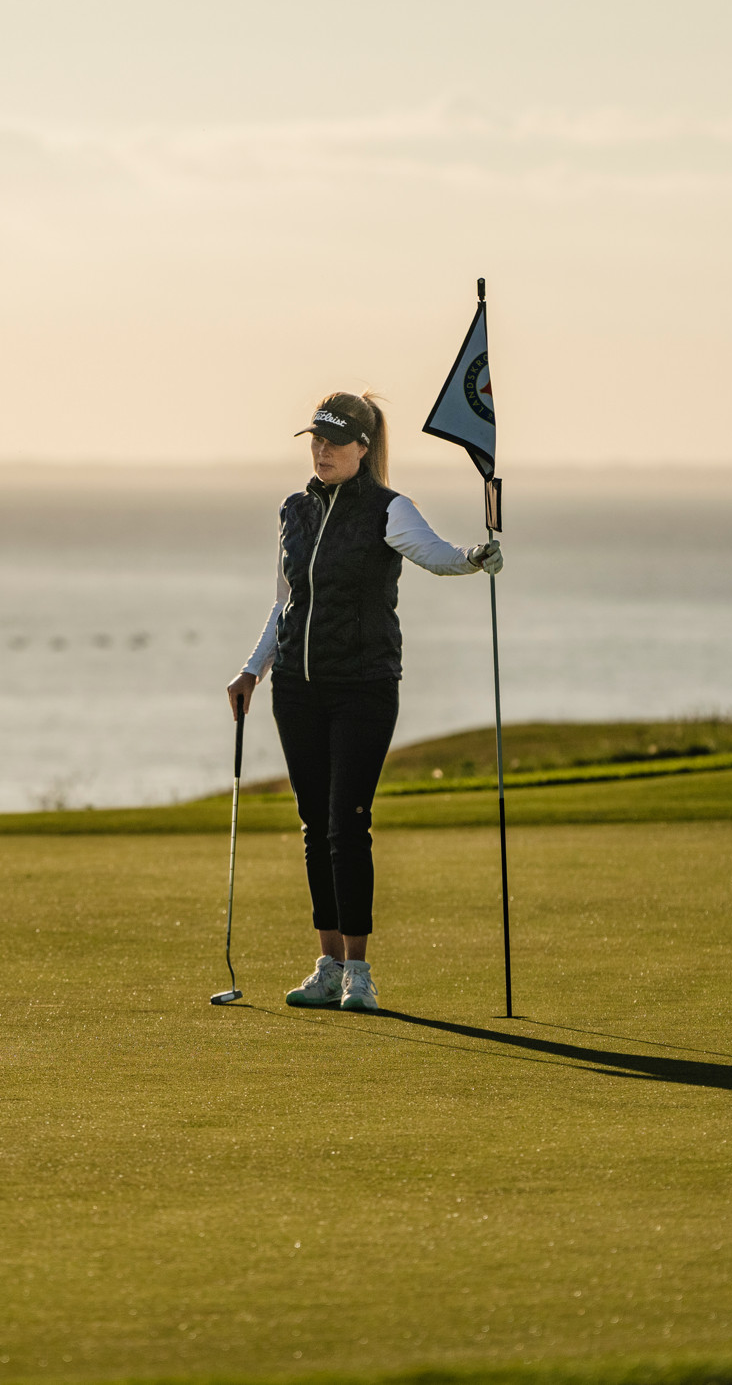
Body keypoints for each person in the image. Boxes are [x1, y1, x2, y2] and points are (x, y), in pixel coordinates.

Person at [224, 392, 501, 1013]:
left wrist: (474, 558)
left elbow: (434, 554)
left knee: (347, 824)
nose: (322, 451)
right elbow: (285, 602)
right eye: (317, 440)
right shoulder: (294, 510)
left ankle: (358, 971)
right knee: (313, 825)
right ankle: (327, 965)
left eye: (335, 441)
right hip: (296, 687)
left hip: (364, 687)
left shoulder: (388, 509)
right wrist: (251, 671)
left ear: (363, 447)